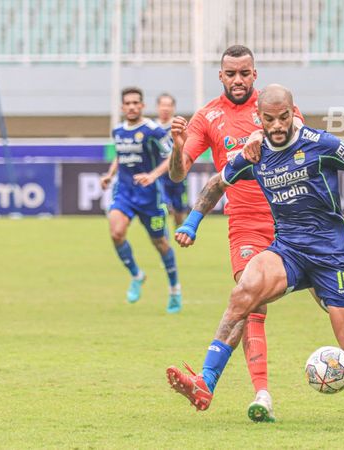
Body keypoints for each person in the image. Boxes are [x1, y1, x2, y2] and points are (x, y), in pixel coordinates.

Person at [166, 84, 344, 414]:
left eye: (284, 117)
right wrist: (191, 222)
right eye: (270, 119)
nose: (278, 126)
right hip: (289, 250)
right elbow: (216, 184)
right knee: (243, 294)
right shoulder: (253, 153)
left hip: (330, 255)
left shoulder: (320, 144)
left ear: (292, 112)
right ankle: (205, 383)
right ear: (260, 118)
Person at [166, 45, 307, 422]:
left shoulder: (276, 110)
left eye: (245, 73)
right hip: (245, 223)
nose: (238, 80)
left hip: (294, 220)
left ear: (254, 74)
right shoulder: (208, 116)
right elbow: (179, 173)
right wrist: (178, 147)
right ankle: (258, 393)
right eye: (231, 74)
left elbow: (306, 155)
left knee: (338, 314)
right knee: (249, 301)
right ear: (221, 76)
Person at [99, 87, 181, 313]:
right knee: (116, 233)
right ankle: (137, 274)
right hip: (124, 193)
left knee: (160, 244)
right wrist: (110, 174)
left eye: (136, 103)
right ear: (122, 107)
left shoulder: (152, 130)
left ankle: (174, 289)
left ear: (142, 106)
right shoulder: (118, 131)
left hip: (150, 197)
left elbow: (171, 156)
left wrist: (153, 175)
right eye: (128, 103)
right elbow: (120, 155)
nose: (132, 106)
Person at [150, 93, 189, 228]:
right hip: (159, 174)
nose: (165, 108)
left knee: (179, 210)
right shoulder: (151, 127)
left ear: (173, 108)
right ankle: (162, 234)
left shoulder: (179, 127)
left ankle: (179, 229)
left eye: (168, 105)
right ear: (157, 107)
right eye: (163, 105)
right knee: (162, 204)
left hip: (177, 173)